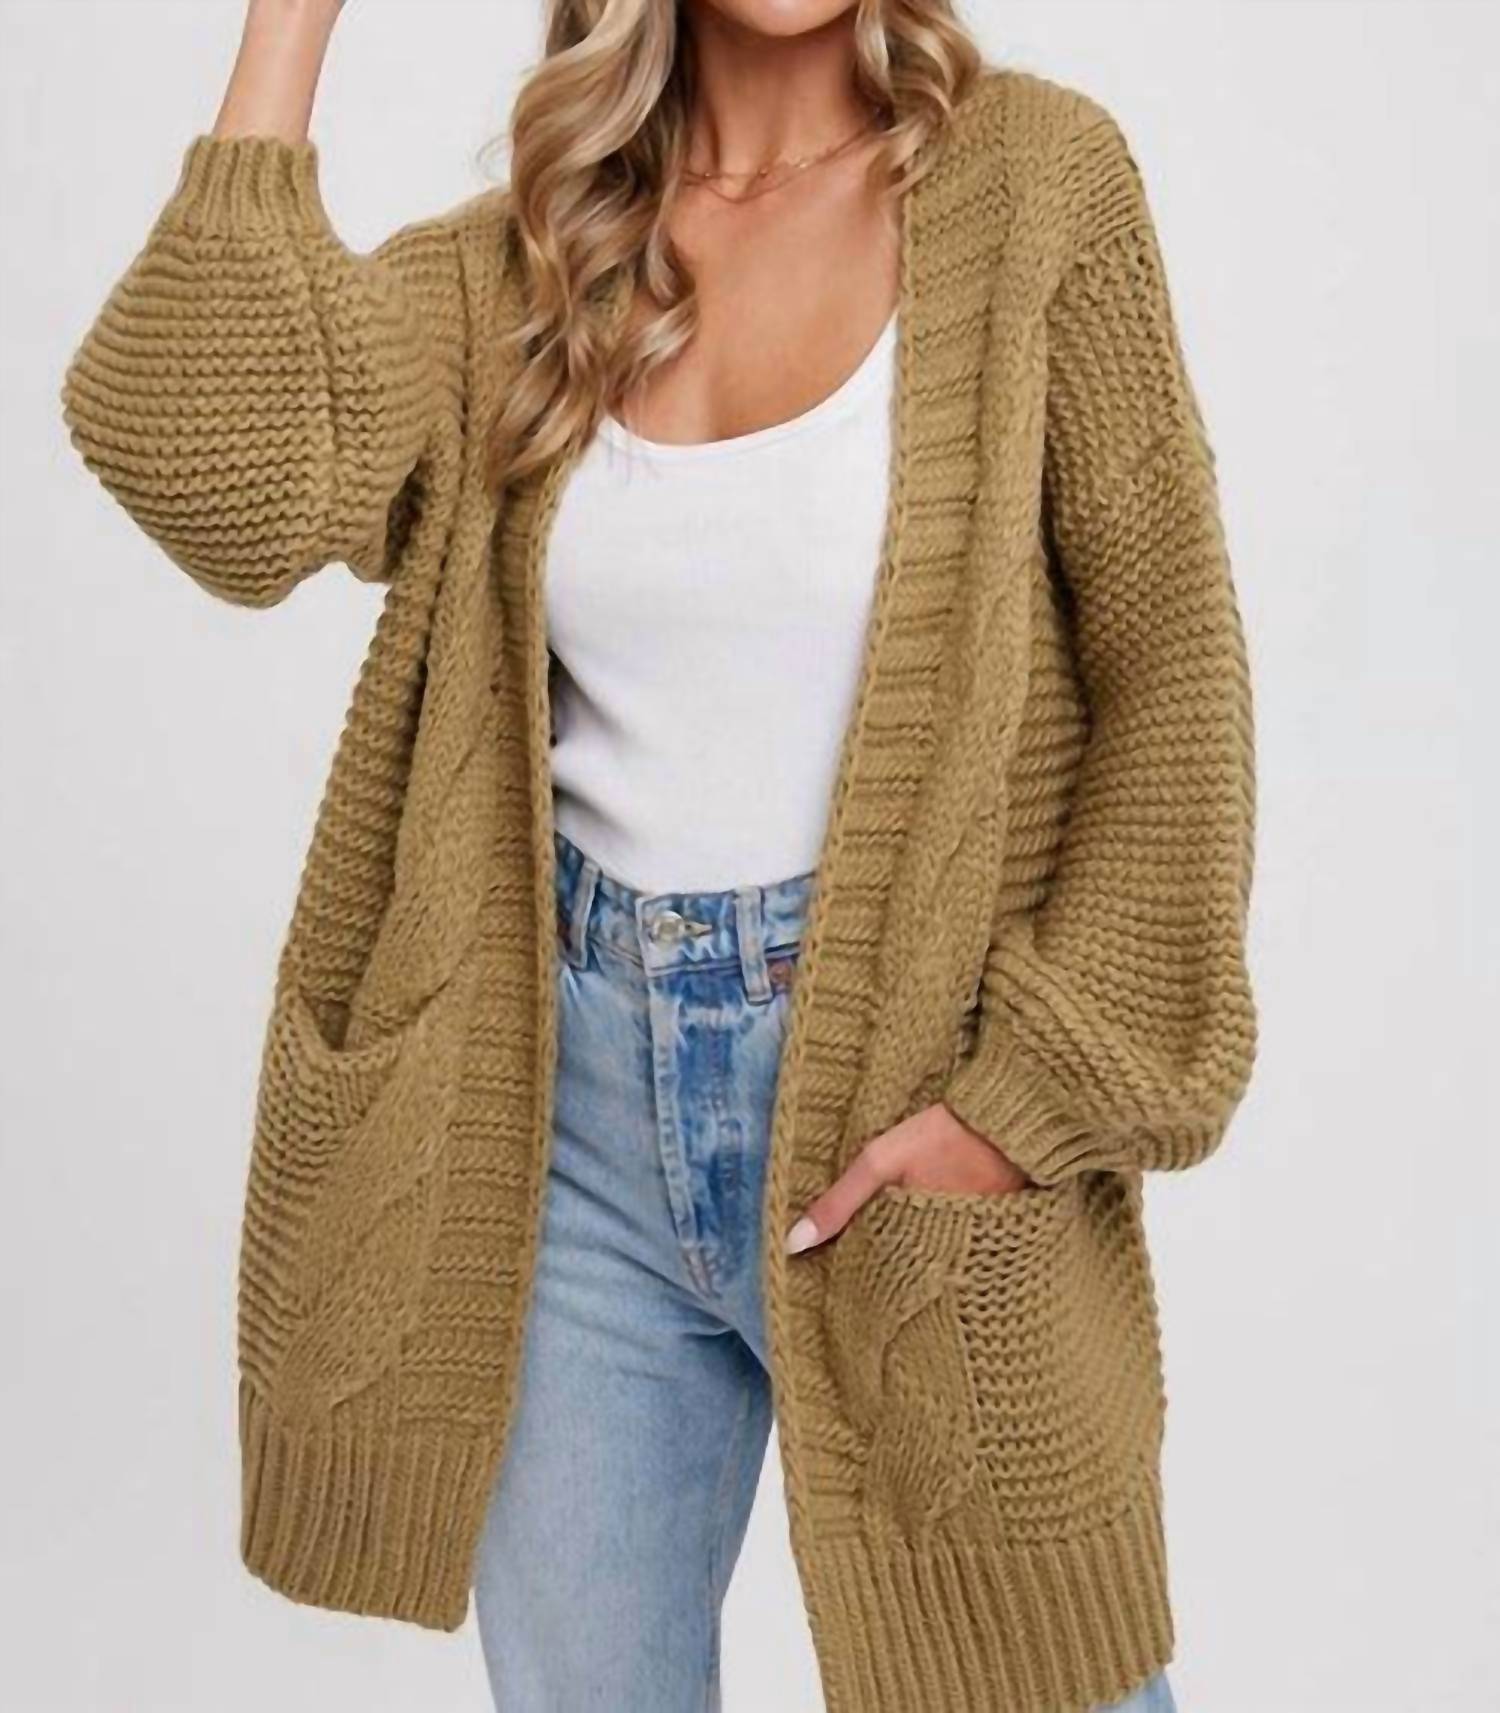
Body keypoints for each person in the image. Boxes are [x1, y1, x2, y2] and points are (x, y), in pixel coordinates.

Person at [59, 0, 1257, 1708]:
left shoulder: (1037, 183)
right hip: (565, 1143)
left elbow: (1174, 670)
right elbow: (211, 472)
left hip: (911, 1104)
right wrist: (291, 21)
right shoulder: (526, 264)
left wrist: (1024, 1105)